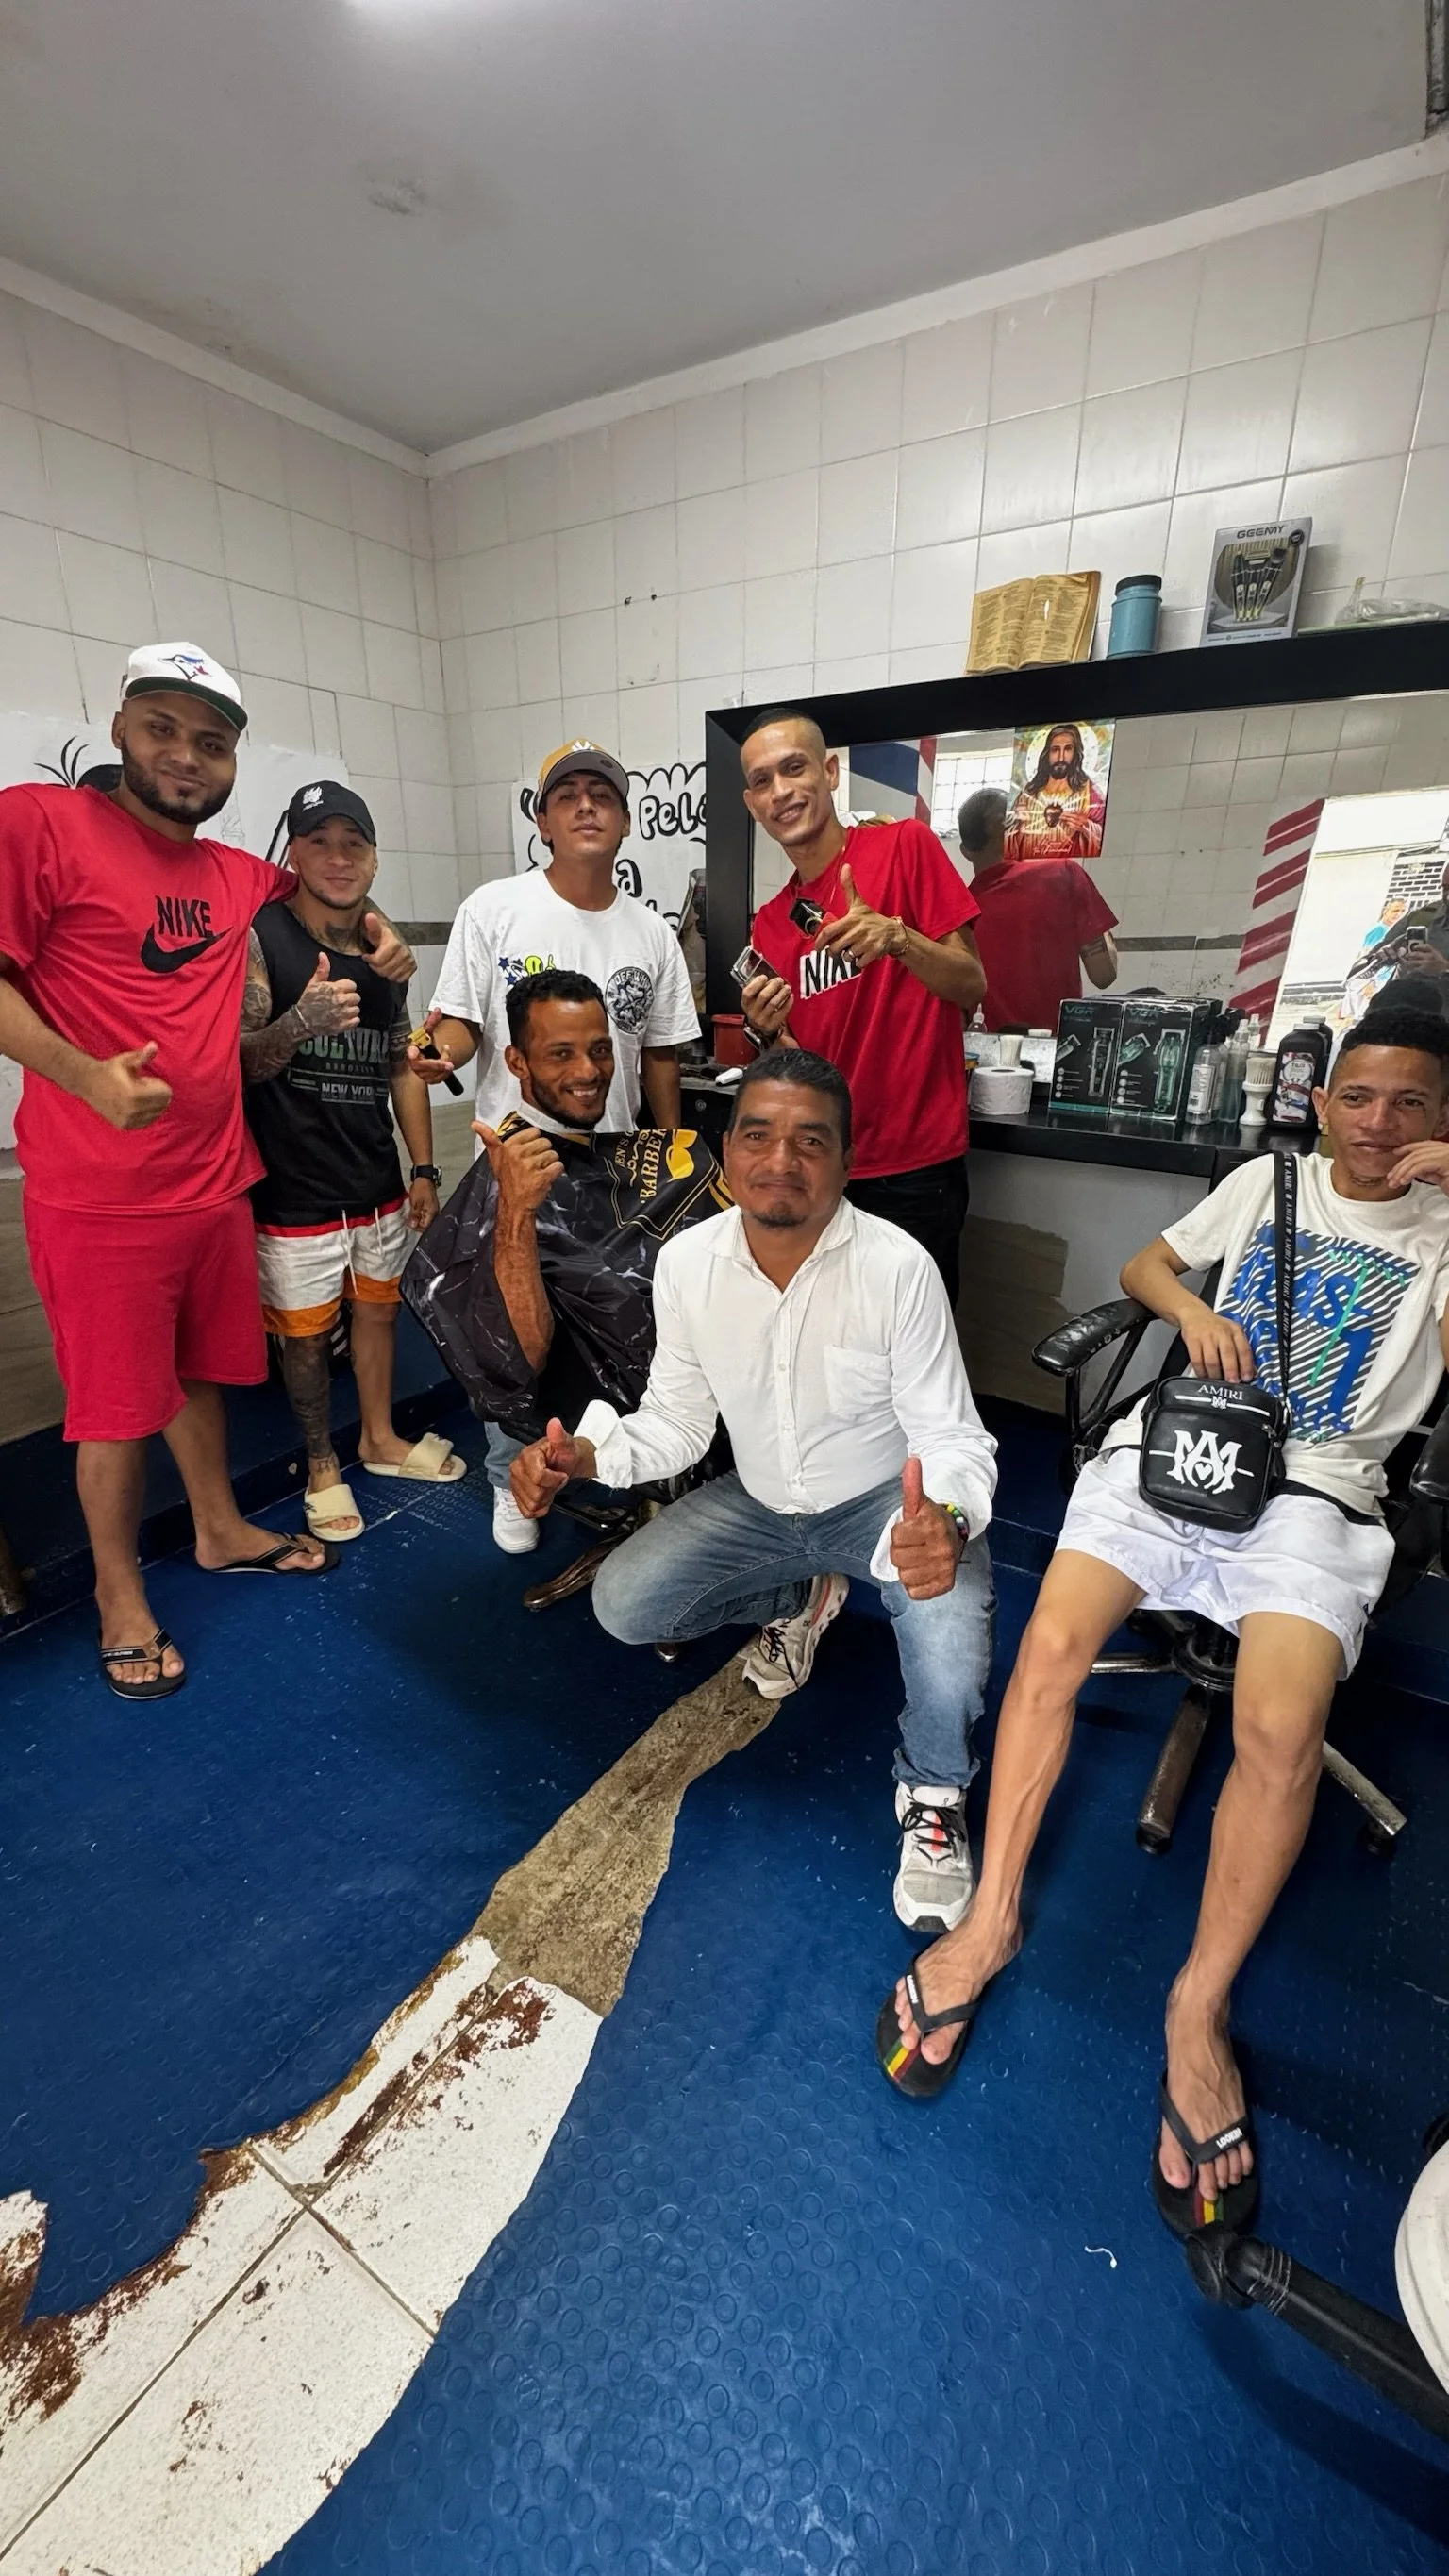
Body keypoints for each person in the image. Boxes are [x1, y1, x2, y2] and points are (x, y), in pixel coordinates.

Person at [878, 1009, 1449, 2238]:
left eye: (1413, 1103)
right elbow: (1146, 1267)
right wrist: (1187, 1313)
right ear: (1324, 1097)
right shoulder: (1267, 1180)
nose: (1380, 1124)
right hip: (1178, 1448)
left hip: (1317, 1492)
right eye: (1359, 1095)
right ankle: (992, 1918)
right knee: (1047, 1651)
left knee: (1284, 1722)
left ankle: (1199, 2005)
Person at [0, 643, 415, 1700]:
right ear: (122, 723)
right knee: (110, 1410)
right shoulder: (38, 826)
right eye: (164, 730)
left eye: (211, 742)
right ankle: (116, 1595)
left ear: (233, 761)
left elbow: (323, 874)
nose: (185, 758)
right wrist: (83, 1076)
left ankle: (221, 1526)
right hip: (99, 1194)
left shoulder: (236, 875)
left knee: (195, 1376)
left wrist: (377, 929)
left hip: (217, 1181)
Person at [510, 1048, 998, 1934]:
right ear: (727, 1154)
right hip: (764, 1503)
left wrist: (950, 1521)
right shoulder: (690, 1263)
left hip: (889, 1505)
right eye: (760, 1136)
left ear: (848, 1162)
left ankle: (932, 1793)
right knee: (625, 1602)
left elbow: (953, 1436)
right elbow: (676, 1422)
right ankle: (804, 1599)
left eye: (812, 1141)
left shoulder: (898, 1267)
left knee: (951, 1630)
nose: (783, 1161)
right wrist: (585, 1454)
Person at [409, 740, 700, 1552]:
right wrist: (443, 1057)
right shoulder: (494, 908)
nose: (584, 805)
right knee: (512, 1333)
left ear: (624, 817)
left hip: (611, 1171)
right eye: (565, 794)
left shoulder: (652, 935)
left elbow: (662, 1055)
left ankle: (607, 1464)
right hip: (518, 1162)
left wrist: (669, 1156)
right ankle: (511, 1477)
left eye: (600, 794)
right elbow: (461, 1025)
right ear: (541, 819)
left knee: (609, 1333)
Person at [241, 781, 465, 1544]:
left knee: (377, 1314)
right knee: (304, 1338)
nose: (338, 858)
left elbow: (404, 1062)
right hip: (294, 1188)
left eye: (354, 843)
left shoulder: (382, 947)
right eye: (320, 842)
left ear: (373, 855)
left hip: (372, 1178)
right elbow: (237, 1065)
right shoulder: (264, 936)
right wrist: (297, 1025)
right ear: (294, 853)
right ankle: (321, 1466)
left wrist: (425, 1171)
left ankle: (377, 1439)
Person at [735, 711, 985, 1305]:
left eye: (794, 769)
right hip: (820, 1170)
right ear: (752, 804)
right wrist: (767, 1035)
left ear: (828, 771)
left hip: (915, 1166)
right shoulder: (770, 924)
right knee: (833, 1344)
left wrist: (899, 938)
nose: (782, 792)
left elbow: (971, 985)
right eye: (764, 781)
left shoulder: (906, 847)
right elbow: (797, 1062)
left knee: (915, 1352)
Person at [959, 785, 1118, 1032]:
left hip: (978, 1055)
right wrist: (1095, 924)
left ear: (966, 851)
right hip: (1054, 1052)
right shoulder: (1064, 874)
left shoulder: (959, 911)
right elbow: (1104, 975)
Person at [1004, 723, 1107, 863]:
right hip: (1029, 871)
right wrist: (1019, 827)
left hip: (1068, 873)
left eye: (1068, 749)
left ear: (1076, 753)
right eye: (1055, 750)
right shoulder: (1029, 794)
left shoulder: (1090, 793)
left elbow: (1106, 840)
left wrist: (1085, 826)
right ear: (1047, 753)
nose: (1061, 758)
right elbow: (1007, 845)